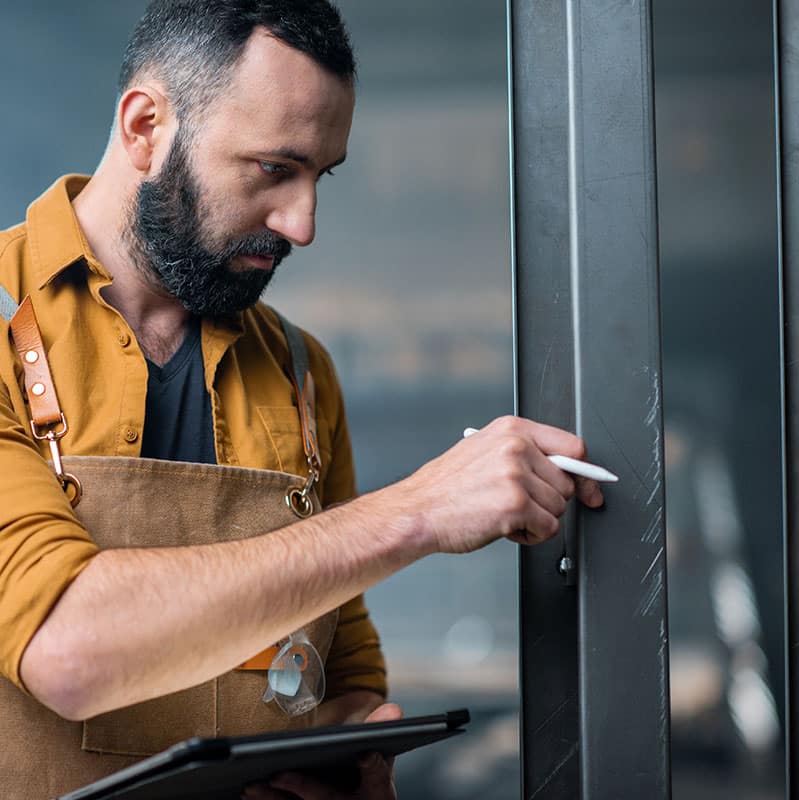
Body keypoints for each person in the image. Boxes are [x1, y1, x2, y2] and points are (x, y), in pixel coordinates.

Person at [0, 1, 604, 798]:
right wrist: (418, 509)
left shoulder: (298, 369)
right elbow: (69, 651)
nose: (304, 222)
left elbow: (339, 663)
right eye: (273, 169)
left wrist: (346, 754)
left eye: (321, 175)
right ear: (146, 127)